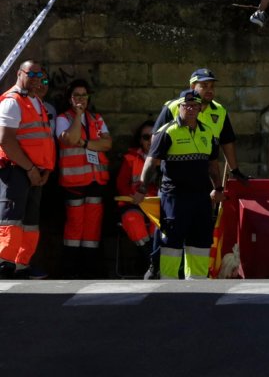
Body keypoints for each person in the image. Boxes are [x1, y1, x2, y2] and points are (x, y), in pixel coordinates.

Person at [134, 91, 222, 280]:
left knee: (199, 243)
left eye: (194, 105)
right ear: (179, 107)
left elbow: (213, 165)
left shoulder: (208, 132)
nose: (190, 109)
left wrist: (218, 188)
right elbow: (150, 162)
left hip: (201, 198)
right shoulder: (167, 132)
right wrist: (142, 187)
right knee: (171, 243)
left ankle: (198, 286)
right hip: (175, 198)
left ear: (200, 108)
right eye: (186, 105)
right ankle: (169, 285)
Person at [0, 61, 55, 279]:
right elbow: (6, 141)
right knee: (10, 219)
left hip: (35, 173)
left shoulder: (36, 101)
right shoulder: (12, 102)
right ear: (19, 73)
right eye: (31, 74)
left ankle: (21, 264)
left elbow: (43, 140)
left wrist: (45, 170)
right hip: (17, 171)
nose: (36, 79)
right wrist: (31, 169)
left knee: (29, 222)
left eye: (40, 76)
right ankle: (4, 264)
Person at [54, 79, 111, 278]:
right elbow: (69, 139)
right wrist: (78, 116)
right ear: (70, 98)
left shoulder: (96, 118)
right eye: (76, 95)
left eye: (84, 95)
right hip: (74, 181)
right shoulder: (63, 118)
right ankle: (70, 269)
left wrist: (85, 143)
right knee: (75, 224)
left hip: (96, 181)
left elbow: (107, 144)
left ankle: (90, 269)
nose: (81, 99)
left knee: (93, 225)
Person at [154, 68, 248, 183]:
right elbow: (156, 139)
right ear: (193, 86)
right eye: (204, 86)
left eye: (212, 86)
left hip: (205, 179)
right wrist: (156, 170)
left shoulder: (220, 111)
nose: (210, 90)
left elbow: (227, 141)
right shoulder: (173, 107)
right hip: (173, 180)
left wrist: (235, 171)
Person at [115, 120, 157, 278]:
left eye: (154, 136)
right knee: (132, 220)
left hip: (155, 205)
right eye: (146, 137)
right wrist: (134, 196)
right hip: (133, 203)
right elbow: (121, 184)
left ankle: (151, 263)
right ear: (140, 140)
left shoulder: (165, 159)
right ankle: (151, 261)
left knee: (159, 225)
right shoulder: (130, 158)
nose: (150, 141)